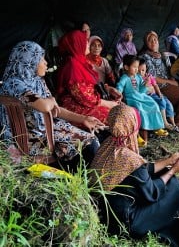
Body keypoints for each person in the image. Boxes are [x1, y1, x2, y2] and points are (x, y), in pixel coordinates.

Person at [89, 104, 179, 246]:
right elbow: (152, 192)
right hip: (128, 225)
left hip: (109, 217)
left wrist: (169, 161)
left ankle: (176, 231)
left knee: (164, 175)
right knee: (175, 187)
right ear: (132, 126)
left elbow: (141, 171)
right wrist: (173, 170)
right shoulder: (129, 159)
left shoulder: (108, 145)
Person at [0, 41, 103, 170]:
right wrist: (51, 99)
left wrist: (83, 119)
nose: (45, 63)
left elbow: (55, 109)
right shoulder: (14, 84)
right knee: (87, 146)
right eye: (41, 59)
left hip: (46, 130)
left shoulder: (36, 81)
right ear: (30, 61)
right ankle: (81, 181)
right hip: (29, 139)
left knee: (90, 141)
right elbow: (44, 106)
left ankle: (82, 180)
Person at [56, 30, 125, 125]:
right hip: (75, 106)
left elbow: (91, 85)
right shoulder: (72, 66)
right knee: (118, 115)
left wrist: (108, 89)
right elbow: (85, 97)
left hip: (92, 102)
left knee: (123, 110)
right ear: (78, 44)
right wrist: (108, 104)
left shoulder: (80, 62)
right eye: (86, 42)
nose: (88, 44)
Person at [139, 31, 179, 130]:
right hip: (158, 87)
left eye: (155, 40)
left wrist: (172, 79)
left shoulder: (162, 55)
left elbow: (170, 70)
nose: (154, 42)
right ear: (146, 43)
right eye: (150, 41)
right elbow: (152, 77)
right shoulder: (145, 57)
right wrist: (171, 82)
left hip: (166, 83)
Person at [116, 55, 168, 145]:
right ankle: (137, 136)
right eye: (134, 67)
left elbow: (141, 91)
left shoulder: (138, 77)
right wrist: (118, 96)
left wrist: (145, 85)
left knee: (153, 104)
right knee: (139, 109)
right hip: (131, 98)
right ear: (126, 67)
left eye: (137, 67)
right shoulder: (124, 78)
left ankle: (157, 127)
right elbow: (119, 88)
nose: (137, 69)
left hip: (141, 96)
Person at [138, 58, 179, 132]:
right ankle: (165, 123)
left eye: (143, 70)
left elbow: (155, 85)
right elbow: (141, 89)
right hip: (149, 96)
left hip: (155, 94)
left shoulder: (149, 76)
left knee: (168, 103)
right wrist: (147, 86)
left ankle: (173, 124)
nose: (141, 72)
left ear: (146, 69)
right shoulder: (138, 79)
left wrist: (159, 93)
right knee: (162, 102)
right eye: (139, 71)